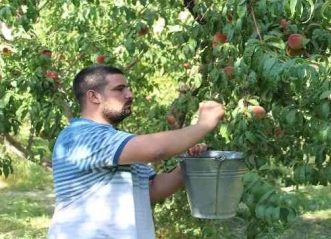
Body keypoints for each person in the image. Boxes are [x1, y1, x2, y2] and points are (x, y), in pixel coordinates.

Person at [47, 65, 225, 239]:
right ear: (94, 96)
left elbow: (152, 189)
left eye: (128, 88)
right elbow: (156, 150)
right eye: (120, 89)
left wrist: (187, 165)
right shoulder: (81, 135)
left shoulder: (116, 143)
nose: (130, 95)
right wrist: (204, 125)